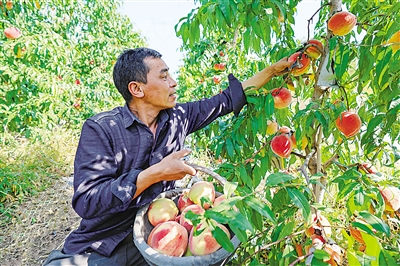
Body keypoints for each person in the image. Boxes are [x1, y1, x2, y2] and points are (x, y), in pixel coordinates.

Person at [43, 47, 292, 266]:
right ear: (136, 89)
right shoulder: (102, 129)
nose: (173, 82)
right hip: (104, 242)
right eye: (164, 77)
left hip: (162, 234)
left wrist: (273, 70)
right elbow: (87, 201)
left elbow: (227, 99)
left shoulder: (179, 117)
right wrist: (155, 174)